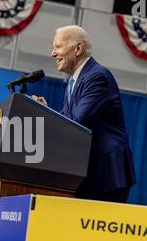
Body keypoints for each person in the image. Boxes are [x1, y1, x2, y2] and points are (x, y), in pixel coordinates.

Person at [32, 25, 136, 203]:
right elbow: (67, 121)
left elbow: (76, 125)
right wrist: (46, 110)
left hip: (106, 176)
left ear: (78, 48)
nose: (52, 54)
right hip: (88, 175)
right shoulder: (74, 81)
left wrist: (45, 113)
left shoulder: (97, 77)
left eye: (58, 47)